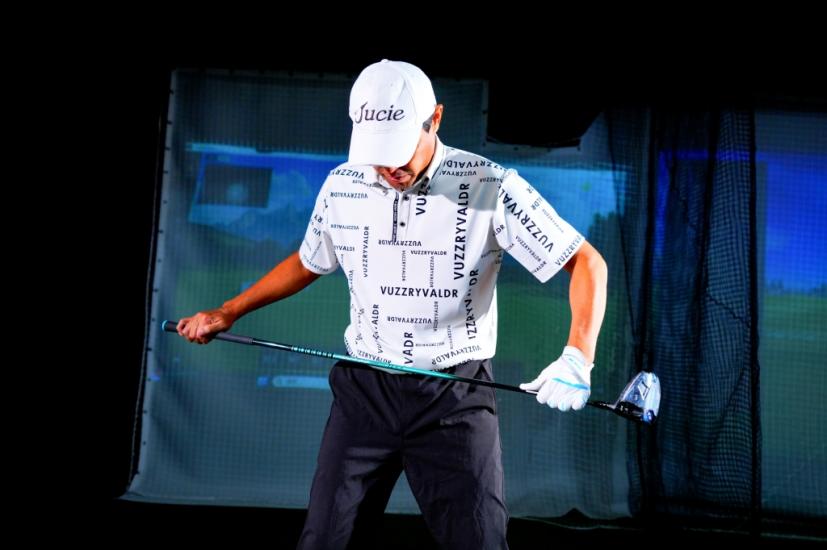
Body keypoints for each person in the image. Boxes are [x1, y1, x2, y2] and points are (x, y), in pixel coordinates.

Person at [176, 59, 607, 549]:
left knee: (480, 542)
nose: (390, 169)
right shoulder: (344, 184)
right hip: (365, 392)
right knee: (323, 541)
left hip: (453, 396)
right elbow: (310, 260)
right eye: (378, 156)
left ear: (435, 119)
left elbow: (586, 262)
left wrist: (578, 355)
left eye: (399, 152)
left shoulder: (489, 185)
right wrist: (228, 311)